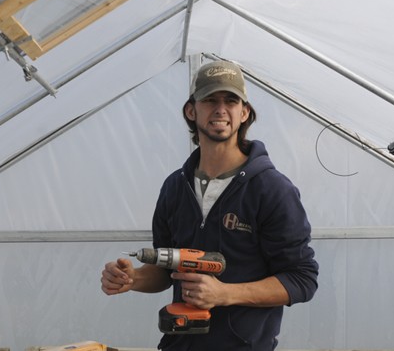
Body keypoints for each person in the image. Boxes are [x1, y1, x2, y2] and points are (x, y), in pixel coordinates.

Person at [100, 60, 319, 350]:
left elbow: (301, 279)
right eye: (210, 100)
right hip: (178, 343)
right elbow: (166, 271)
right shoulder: (175, 187)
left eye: (231, 100)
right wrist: (133, 278)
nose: (220, 109)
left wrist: (224, 293)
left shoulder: (271, 189)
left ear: (245, 113)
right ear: (192, 111)